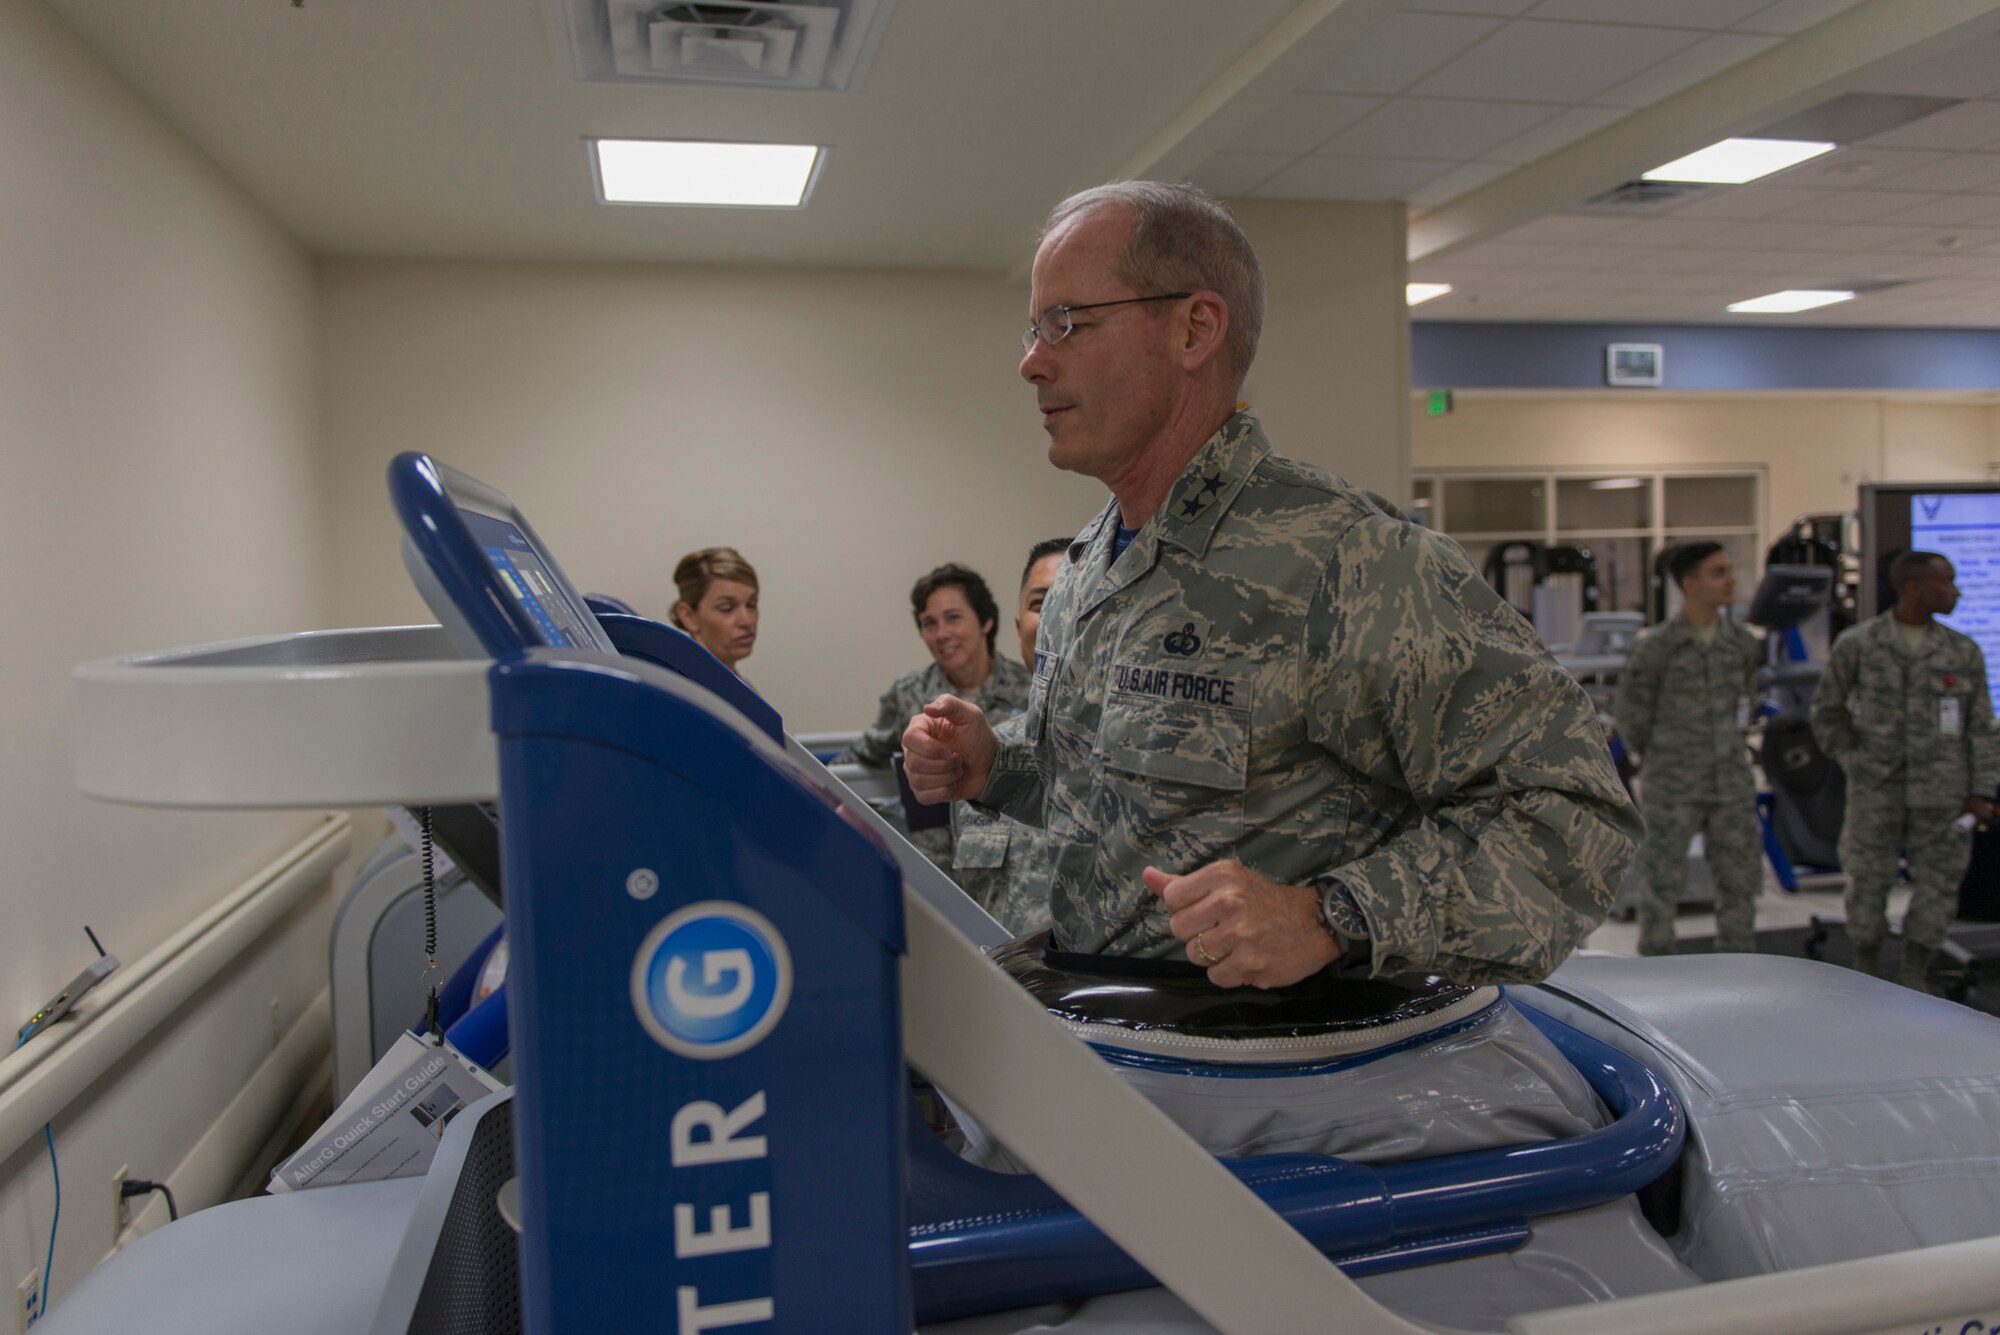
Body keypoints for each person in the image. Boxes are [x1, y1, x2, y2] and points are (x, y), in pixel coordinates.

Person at [901, 180, 1639, 988]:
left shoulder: (1347, 562)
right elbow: (1123, 806)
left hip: (1269, 1079)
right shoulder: (1088, 569)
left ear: (1195, 327)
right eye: (1035, 328)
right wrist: (994, 771)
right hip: (1113, 1048)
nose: (1032, 361)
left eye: (1067, 323)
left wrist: (1333, 914)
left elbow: (1575, 815)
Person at [1811, 550, 1999, 988]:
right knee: (1867, 882)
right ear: (1914, 587)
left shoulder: (1961, 650)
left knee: (1938, 884)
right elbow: (1827, 713)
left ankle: (1916, 973)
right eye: (1946, 581)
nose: (1956, 591)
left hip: (1944, 792)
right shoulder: (1860, 644)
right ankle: (1867, 970)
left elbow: (1982, 728)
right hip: (1877, 789)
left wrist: (1982, 791)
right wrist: (1854, 761)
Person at [1613, 542, 1764, 956]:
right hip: (1673, 782)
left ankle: (1740, 968)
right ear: (1690, 584)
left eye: (1730, 570)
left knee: (1739, 880)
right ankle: (1657, 969)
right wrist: (1655, 760)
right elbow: (1632, 714)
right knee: (1661, 881)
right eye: (1719, 572)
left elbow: (1746, 701)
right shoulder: (1658, 645)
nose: (1731, 579)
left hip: (1730, 781)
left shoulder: (1742, 643)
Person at [838, 563, 1032, 869]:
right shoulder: (908, 695)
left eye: (953, 618)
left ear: (986, 621)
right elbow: (856, 760)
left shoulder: (1029, 690)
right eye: (929, 624)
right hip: (934, 874)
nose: (942, 634)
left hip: (1013, 876)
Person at [950, 539, 1069, 935]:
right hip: (998, 987)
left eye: (1072, 597)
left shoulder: (1134, 756)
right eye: (1039, 603)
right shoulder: (982, 756)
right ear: (1019, 629)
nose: (1055, 614)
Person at [671, 547, 759, 674]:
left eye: (751, 604)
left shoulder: (736, 684)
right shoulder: (680, 689)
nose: (747, 621)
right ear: (688, 616)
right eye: (727, 608)